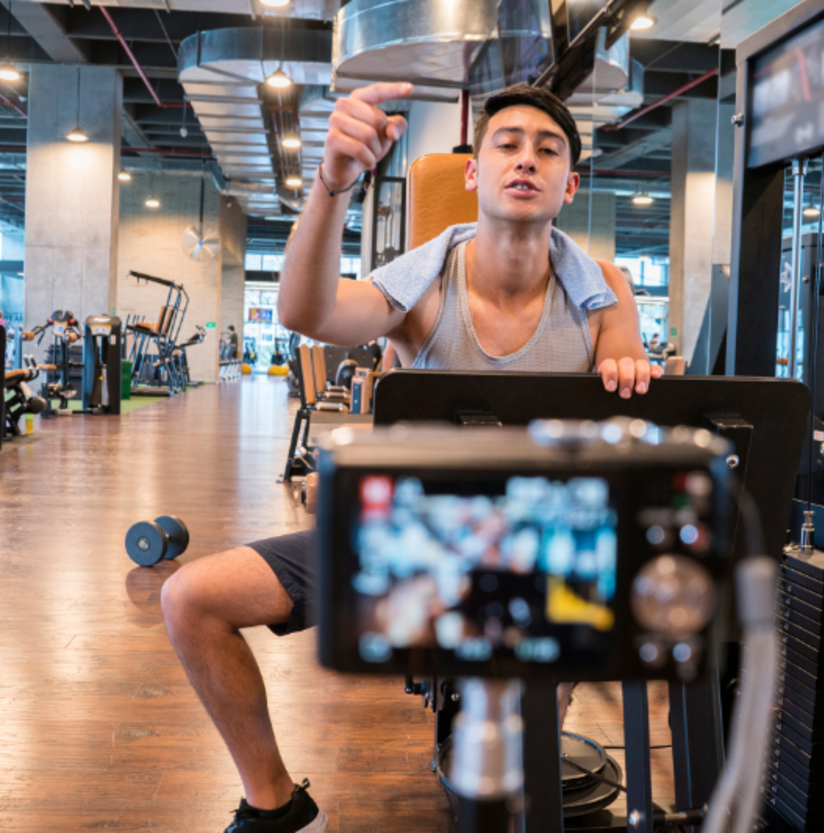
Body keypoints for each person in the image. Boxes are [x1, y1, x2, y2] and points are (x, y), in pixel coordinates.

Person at [161, 80, 663, 833]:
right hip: (406, 538)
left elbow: (625, 373)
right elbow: (307, 310)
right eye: (508, 144)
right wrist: (333, 182)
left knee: (503, 794)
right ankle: (274, 804)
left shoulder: (604, 288)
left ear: (570, 184)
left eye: (548, 150)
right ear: (473, 174)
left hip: (538, 551)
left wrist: (630, 368)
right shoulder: (425, 284)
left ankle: (516, 749)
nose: (526, 160)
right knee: (191, 598)